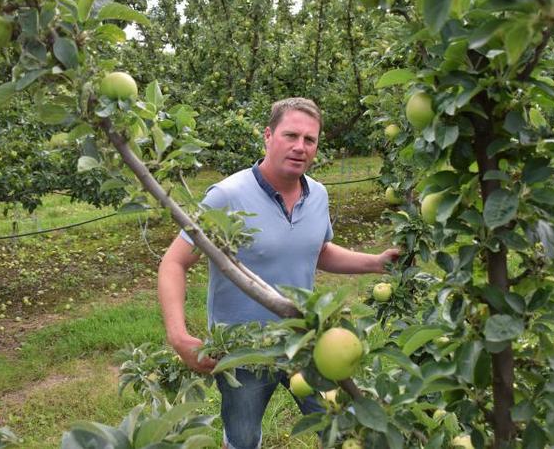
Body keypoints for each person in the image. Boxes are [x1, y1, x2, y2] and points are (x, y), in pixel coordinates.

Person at [157, 97, 399, 449]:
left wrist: (377, 262)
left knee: (343, 430)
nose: (300, 147)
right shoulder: (228, 195)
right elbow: (174, 262)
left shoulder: (318, 195)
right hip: (242, 352)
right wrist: (179, 337)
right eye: (291, 135)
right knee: (241, 440)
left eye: (310, 140)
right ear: (268, 136)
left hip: (306, 340)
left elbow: (317, 251)